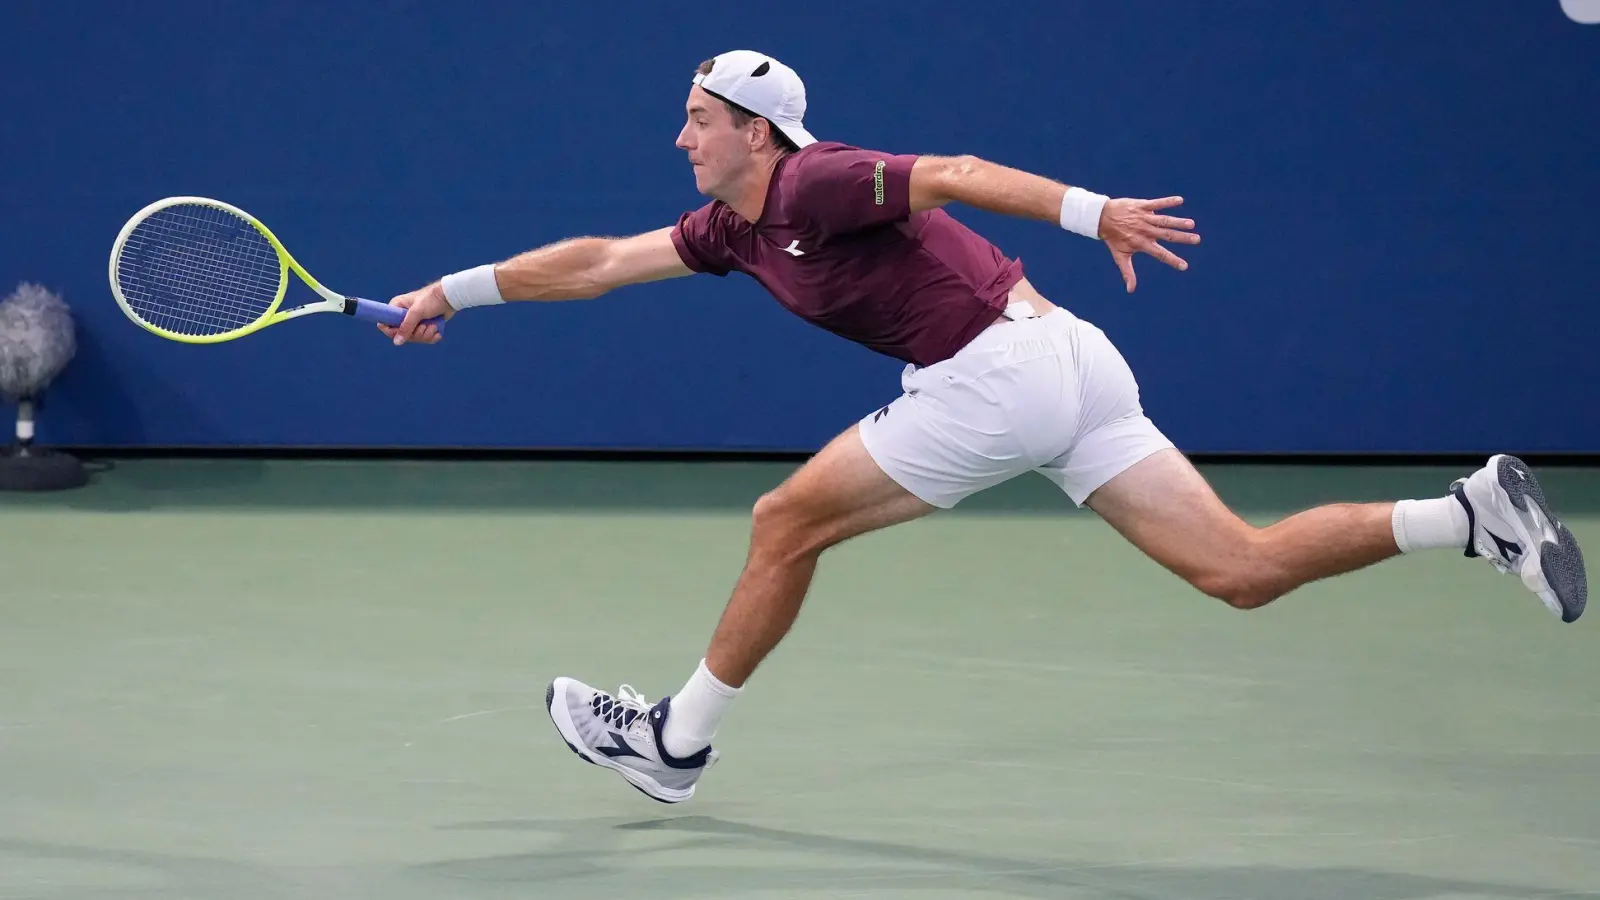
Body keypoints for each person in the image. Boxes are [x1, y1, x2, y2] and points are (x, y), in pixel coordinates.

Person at [379, 50, 1588, 804]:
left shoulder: (810, 179)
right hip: (1065, 367)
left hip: (1004, 370)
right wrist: (453, 291)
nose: (681, 135)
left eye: (699, 118)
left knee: (782, 523)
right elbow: (591, 264)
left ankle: (675, 745)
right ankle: (1466, 515)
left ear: (758, 129)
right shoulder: (732, 231)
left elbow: (950, 169)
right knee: (1240, 569)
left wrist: (1092, 208)